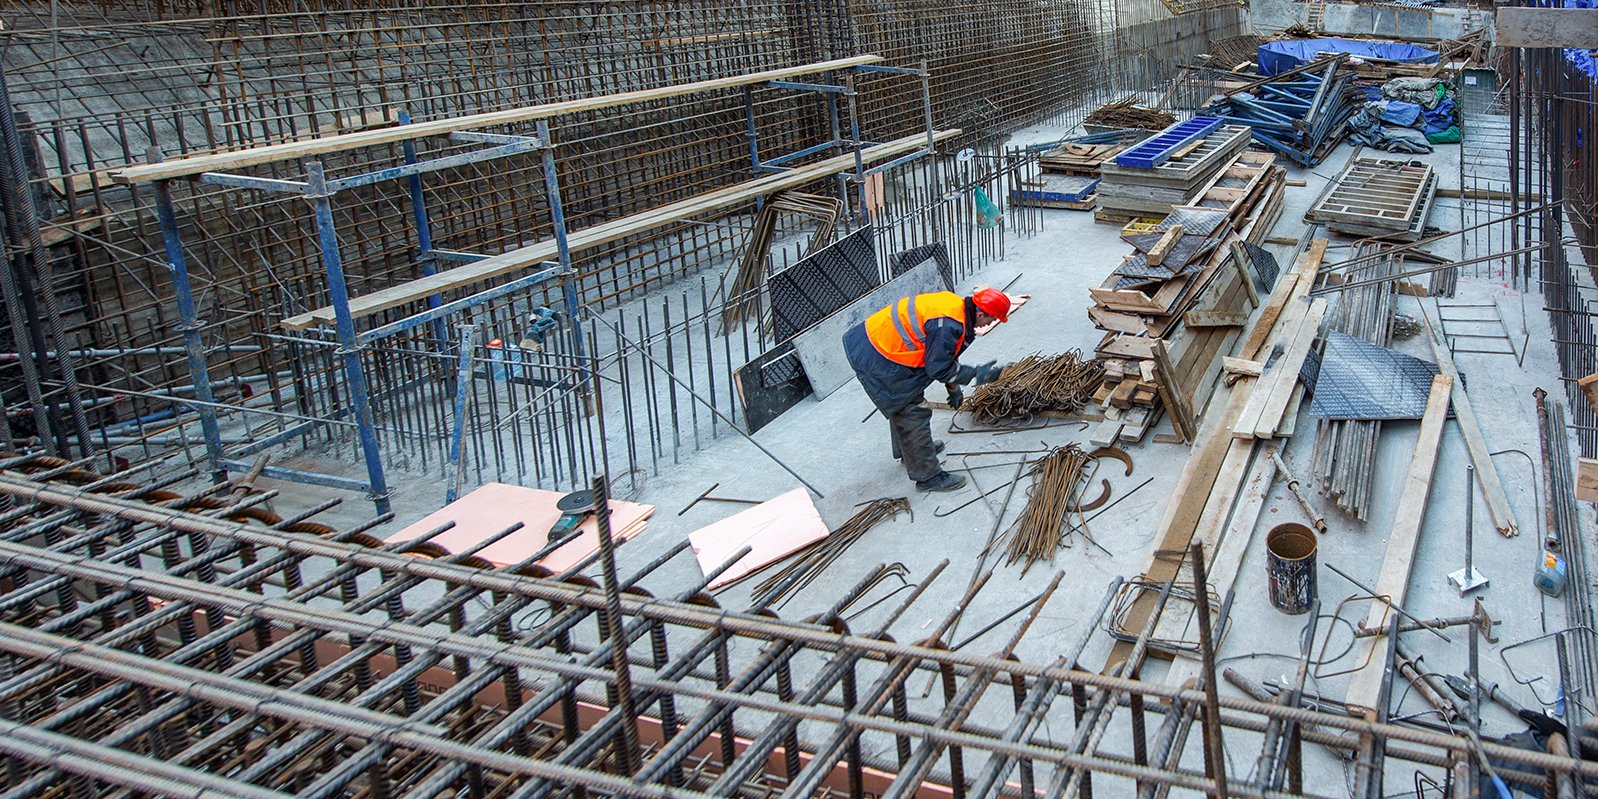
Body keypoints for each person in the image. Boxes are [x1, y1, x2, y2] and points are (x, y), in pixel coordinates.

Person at [843, 287, 1017, 492]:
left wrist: (954, 389)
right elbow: (939, 368)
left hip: (873, 342)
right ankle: (928, 477)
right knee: (912, 411)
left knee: (904, 404)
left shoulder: (956, 309)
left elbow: (946, 354)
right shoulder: (949, 323)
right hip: (877, 355)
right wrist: (978, 375)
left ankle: (911, 454)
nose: (990, 323)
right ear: (980, 313)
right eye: (992, 319)